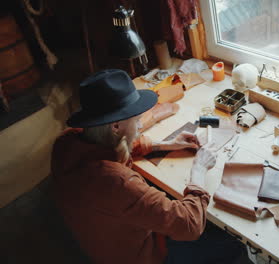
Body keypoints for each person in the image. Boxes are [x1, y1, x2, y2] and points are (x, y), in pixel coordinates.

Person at [51, 69, 242, 264]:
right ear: (116, 126)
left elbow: (111, 148)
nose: (141, 125)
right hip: (139, 256)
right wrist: (199, 170)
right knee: (232, 241)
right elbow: (189, 226)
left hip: (100, 235)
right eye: (136, 120)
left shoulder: (67, 141)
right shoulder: (117, 183)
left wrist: (164, 145)